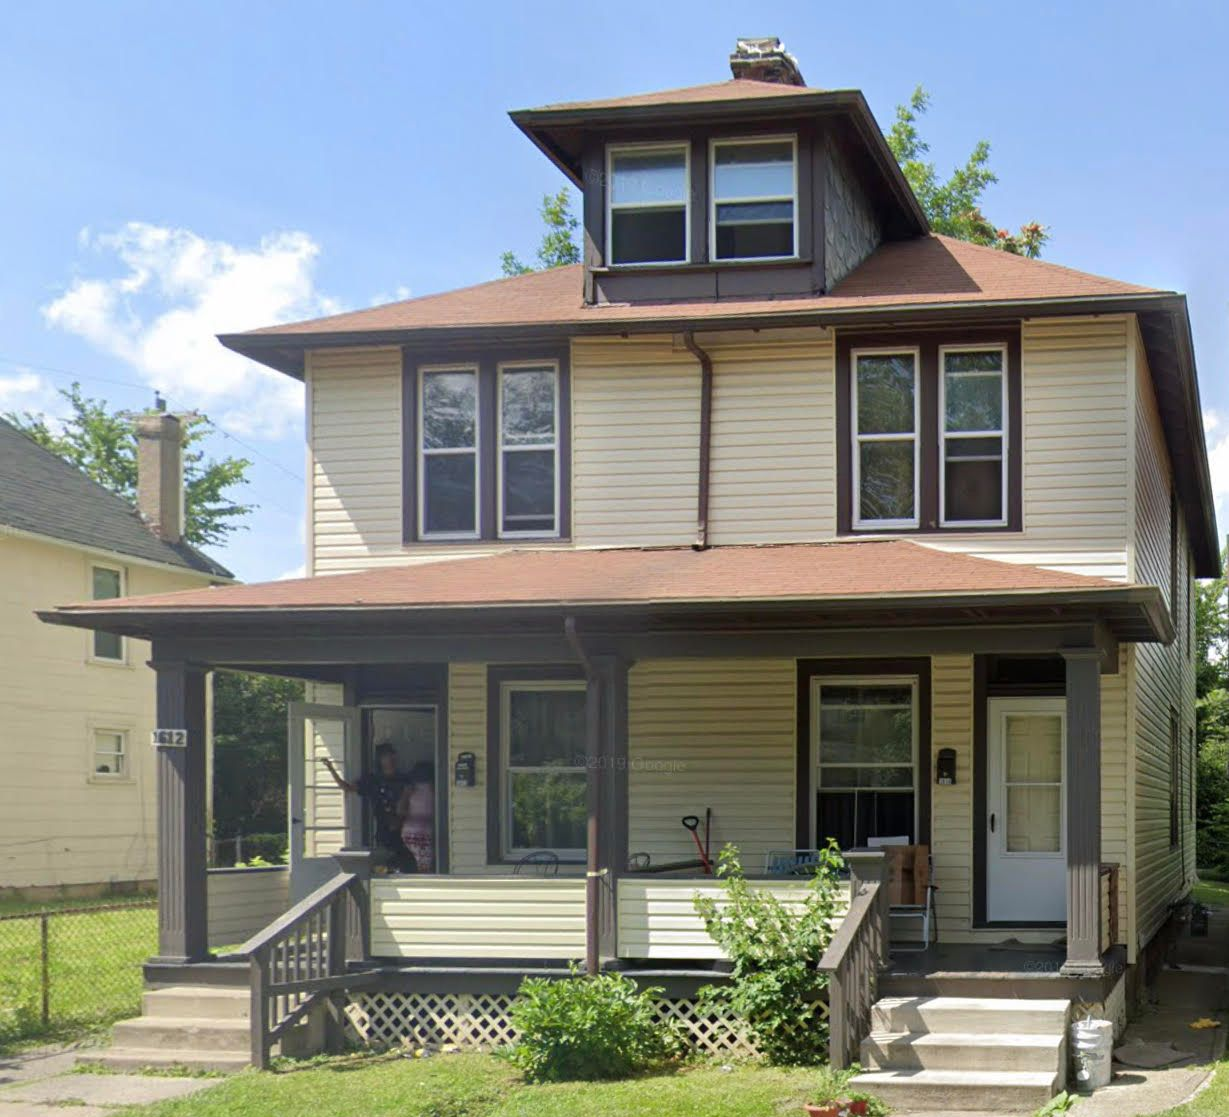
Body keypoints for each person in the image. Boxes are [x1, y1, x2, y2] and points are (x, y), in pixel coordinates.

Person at [322, 743, 415, 871]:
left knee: (408, 860)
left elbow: (409, 801)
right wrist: (331, 769)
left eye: (392, 755)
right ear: (380, 759)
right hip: (385, 829)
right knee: (386, 860)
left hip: (407, 828)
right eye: (387, 756)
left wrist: (400, 814)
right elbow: (347, 787)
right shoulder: (372, 780)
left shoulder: (403, 779)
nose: (391, 759)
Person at [398, 762, 436, 874]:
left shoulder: (433, 788)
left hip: (417, 833)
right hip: (417, 833)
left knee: (423, 866)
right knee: (419, 865)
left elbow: (400, 810)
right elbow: (400, 810)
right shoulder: (412, 789)